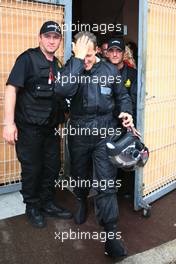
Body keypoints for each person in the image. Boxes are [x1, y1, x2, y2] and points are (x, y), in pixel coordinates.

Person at [54, 31, 134, 258]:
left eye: (89, 55)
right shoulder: (72, 66)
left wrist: (126, 112)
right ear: (74, 51)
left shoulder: (110, 70)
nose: (86, 60)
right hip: (79, 131)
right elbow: (61, 90)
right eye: (81, 55)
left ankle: (110, 234)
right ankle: (80, 200)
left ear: (98, 51)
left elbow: (123, 96)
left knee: (106, 183)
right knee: (80, 173)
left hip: (104, 133)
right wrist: (77, 61)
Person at [3, 21, 72, 228]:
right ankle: (32, 207)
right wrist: (8, 123)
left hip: (50, 130)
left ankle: (47, 202)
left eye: (56, 37)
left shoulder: (57, 64)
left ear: (60, 40)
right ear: (40, 38)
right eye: (48, 36)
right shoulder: (27, 59)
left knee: (52, 168)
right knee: (33, 169)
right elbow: (11, 89)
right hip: (29, 129)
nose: (52, 41)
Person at [107, 38, 137, 125]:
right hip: (106, 122)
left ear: (124, 53)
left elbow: (134, 101)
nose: (115, 54)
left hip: (126, 120)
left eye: (118, 51)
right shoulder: (101, 72)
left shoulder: (133, 74)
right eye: (111, 51)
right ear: (107, 53)